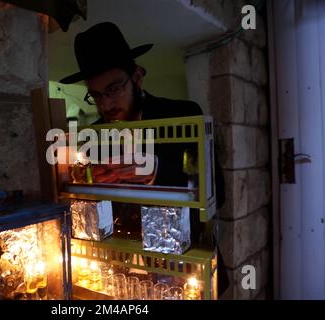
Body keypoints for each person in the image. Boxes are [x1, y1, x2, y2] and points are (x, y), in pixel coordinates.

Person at [59, 22, 228, 296]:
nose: (105, 104)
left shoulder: (183, 116)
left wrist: (154, 170)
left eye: (114, 89)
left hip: (188, 271)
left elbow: (217, 191)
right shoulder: (96, 137)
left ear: (137, 77)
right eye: (97, 95)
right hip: (126, 276)